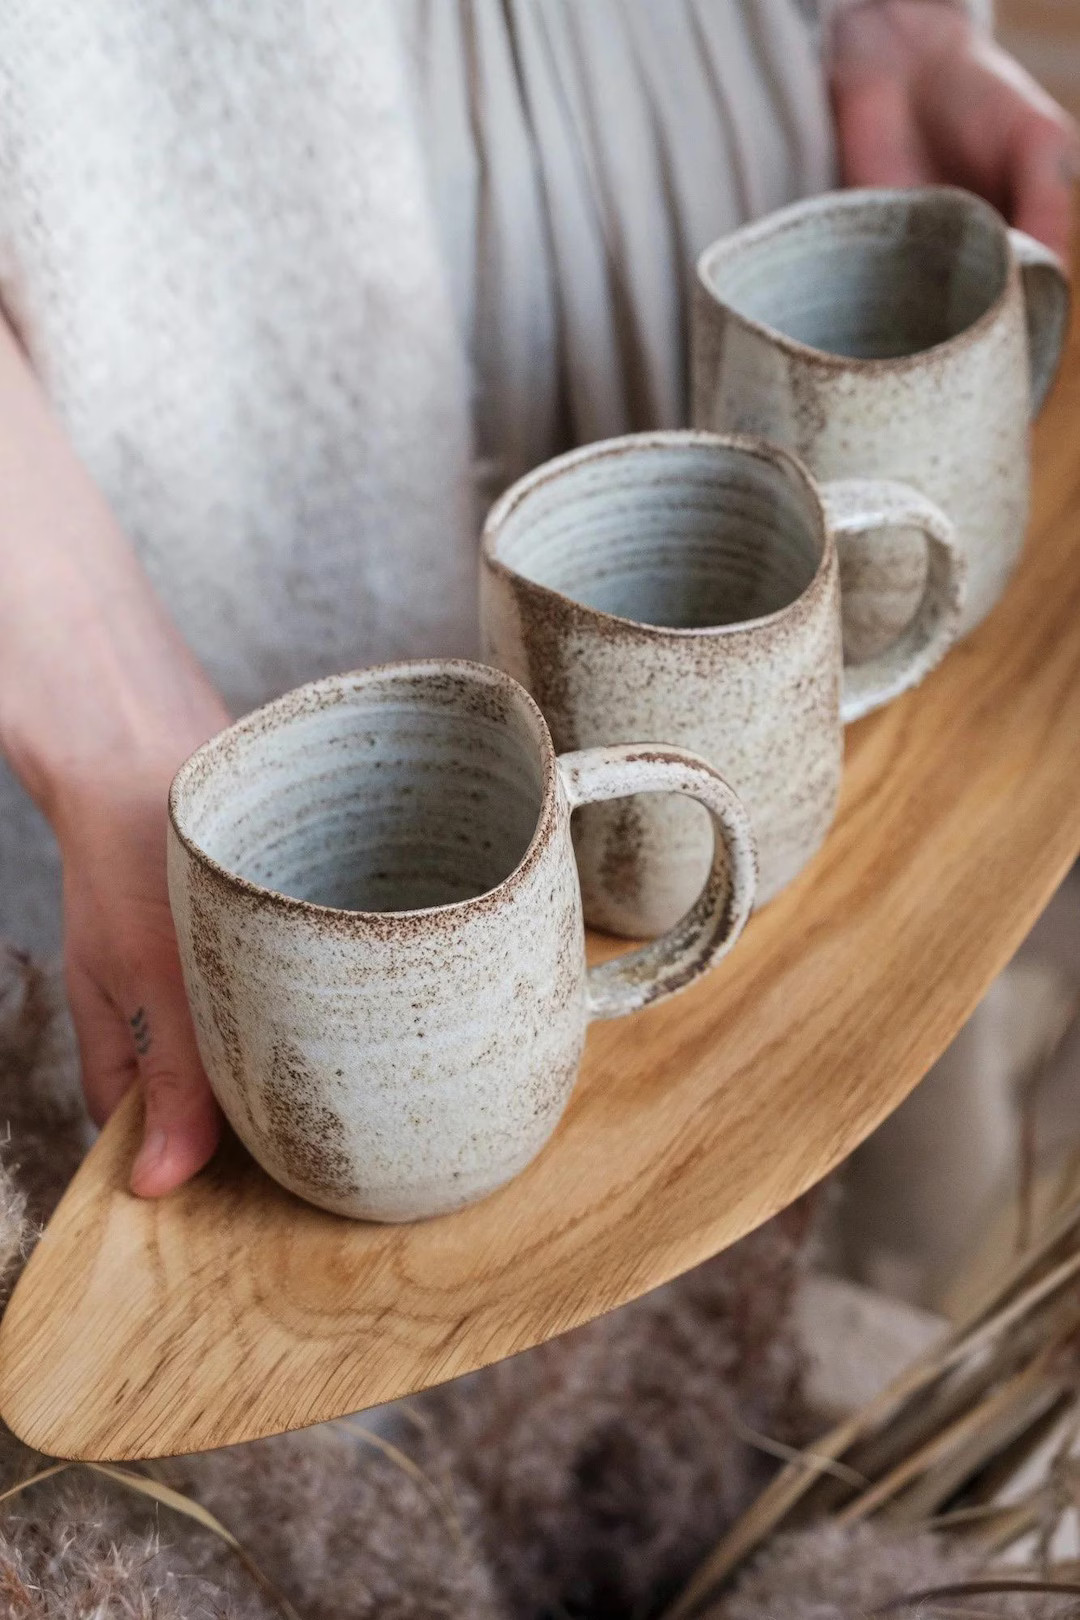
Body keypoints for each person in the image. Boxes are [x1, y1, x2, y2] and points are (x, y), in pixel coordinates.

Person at [0, 0, 1074, 1202]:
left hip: (698, 103)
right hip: (161, 280)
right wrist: (101, 711)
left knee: (846, 1012)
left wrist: (898, 30)